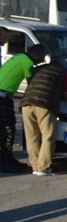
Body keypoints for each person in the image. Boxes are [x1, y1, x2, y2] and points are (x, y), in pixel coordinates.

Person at [0, 44, 49, 173]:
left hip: (4, 96)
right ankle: (5, 161)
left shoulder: (19, 57)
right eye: (42, 57)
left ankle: (7, 159)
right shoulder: (27, 63)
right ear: (36, 55)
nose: (42, 60)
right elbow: (32, 84)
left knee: (4, 129)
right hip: (3, 98)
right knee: (8, 129)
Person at [21, 56, 67, 175]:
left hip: (26, 103)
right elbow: (65, 94)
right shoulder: (62, 72)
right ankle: (43, 167)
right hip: (44, 104)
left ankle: (35, 166)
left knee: (32, 137)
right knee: (48, 135)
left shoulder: (39, 69)